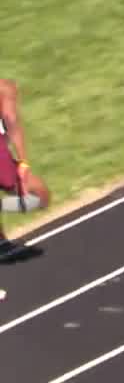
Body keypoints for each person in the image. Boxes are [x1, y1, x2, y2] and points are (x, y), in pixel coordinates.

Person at [0, 79, 52, 260]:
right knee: (40, 196)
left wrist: (23, 164)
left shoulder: (5, 89)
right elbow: (12, 123)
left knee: (41, 196)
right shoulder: (5, 89)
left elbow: (11, 122)